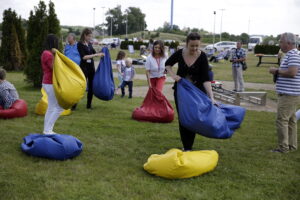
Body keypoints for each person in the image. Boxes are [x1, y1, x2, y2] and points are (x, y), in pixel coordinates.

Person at [165, 32, 217, 151]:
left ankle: (189, 145)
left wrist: (211, 97)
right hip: (181, 92)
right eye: (192, 46)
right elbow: (167, 64)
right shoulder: (180, 53)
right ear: (187, 43)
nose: (194, 48)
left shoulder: (202, 57)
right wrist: (173, 76)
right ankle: (187, 146)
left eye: (197, 46)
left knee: (193, 117)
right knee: (183, 118)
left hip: (196, 93)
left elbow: (206, 79)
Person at [269, 32, 300, 153]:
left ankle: (283, 148)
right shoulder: (292, 54)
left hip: (289, 94)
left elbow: (292, 73)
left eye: (281, 41)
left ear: (288, 43)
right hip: (291, 93)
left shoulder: (293, 55)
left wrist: (276, 71)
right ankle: (291, 145)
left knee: (282, 120)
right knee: (291, 121)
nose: (279, 43)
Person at [41, 34, 63, 135]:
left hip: (49, 82)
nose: (57, 44)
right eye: (56, 42)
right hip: (49, 83)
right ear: (53, 43)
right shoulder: (47, 54)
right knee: (60, 107)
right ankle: (48, 130)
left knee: (51, 107)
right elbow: (54, 67)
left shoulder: (47, 53)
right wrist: (55, 55)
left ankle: (47, 129)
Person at [77, 28, 104, 109]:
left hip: (91, 68)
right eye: (89, 36)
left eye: (91, 36)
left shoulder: (89, 44)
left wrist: (101, 52)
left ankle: (89, 105)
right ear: (84, 35)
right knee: (81, 86)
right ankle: (74, 105)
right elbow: (84, 57)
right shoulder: (80, 44)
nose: (90, 38)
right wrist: (95, 55)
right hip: (84, 68)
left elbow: (94, 53)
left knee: (91, 86)